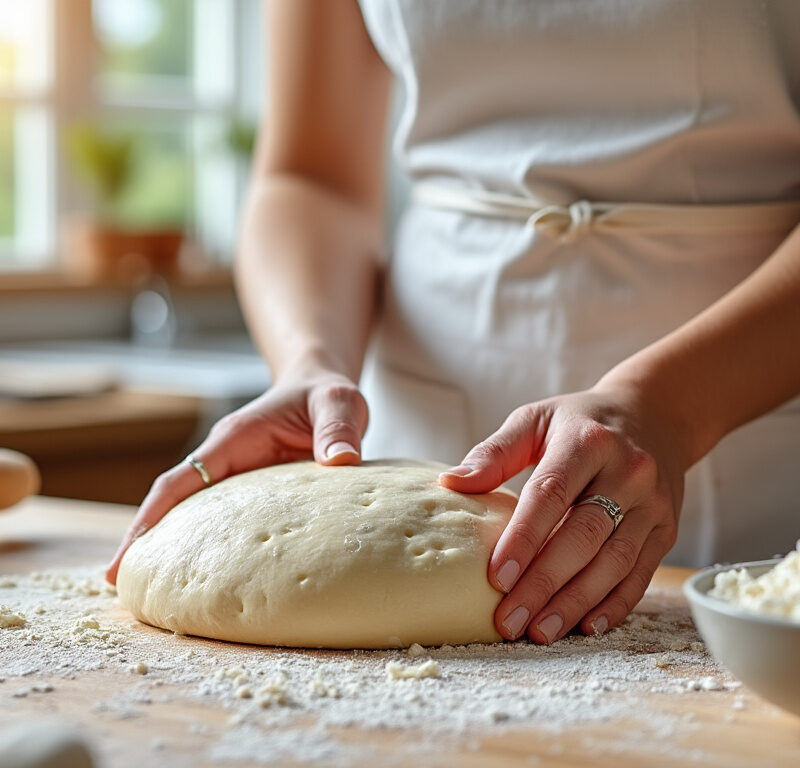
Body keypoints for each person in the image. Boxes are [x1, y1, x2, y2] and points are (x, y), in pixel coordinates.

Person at [107, 0, 800, 646]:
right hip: (416, 416)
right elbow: (311, 176)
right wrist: (308, 358)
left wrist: (673, 409)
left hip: (744, 402)